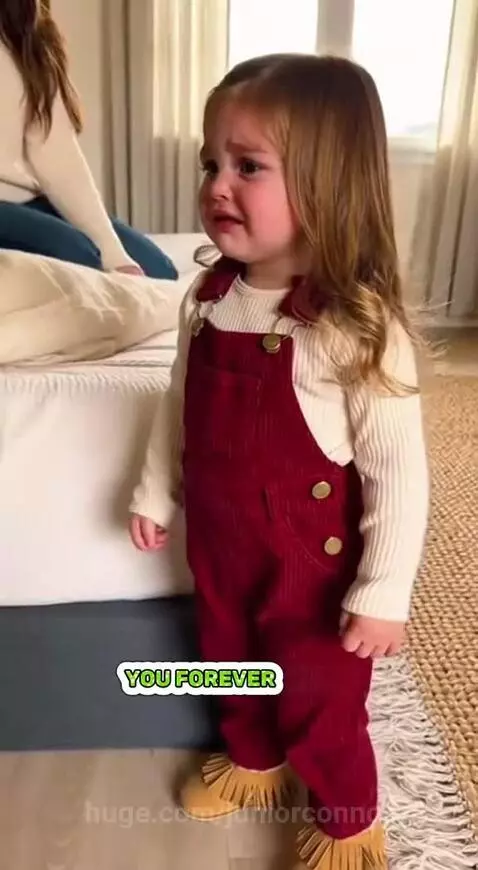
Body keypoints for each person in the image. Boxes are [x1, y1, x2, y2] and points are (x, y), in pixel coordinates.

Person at [128, 53, 429, 869]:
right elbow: (177, 404)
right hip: (223, 543)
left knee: (320, 695)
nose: (218, 184)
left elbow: (400, 474)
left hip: (314, 567)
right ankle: (255, 762)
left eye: (248, 166)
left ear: (326, 183)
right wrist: (157, 489)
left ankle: (348, 825)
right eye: (212, 164)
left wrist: (383, 592)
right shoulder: (209, 299)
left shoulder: (353, 327)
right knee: (231, 658)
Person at [0, 0, 177, 280]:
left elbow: (55, 152)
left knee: (158, 271)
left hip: (27, 200)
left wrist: (114, 253)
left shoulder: (24, 33)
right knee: (81, 257)